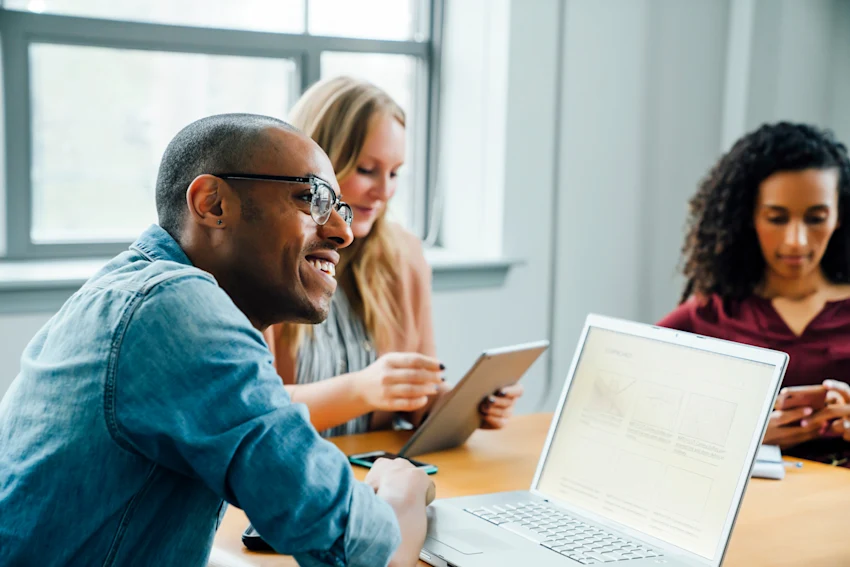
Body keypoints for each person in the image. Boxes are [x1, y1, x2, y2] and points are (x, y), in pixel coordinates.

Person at [0, 113, 433, 566]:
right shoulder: (174, 308)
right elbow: (361, 553)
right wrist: (403, 493)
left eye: (339, 209)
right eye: (311, 199)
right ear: (212, 203)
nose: (343, 233)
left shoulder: (134, 290)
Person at [265, 76, 523, 437]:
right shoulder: (262, 257)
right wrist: (361, 390)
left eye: (395, 173)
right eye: (366, 170)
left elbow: (417, 401)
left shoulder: (403, 255)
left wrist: (469, 405)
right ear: (318, 162)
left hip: (369, 471)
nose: (384, 191)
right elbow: (253, 413)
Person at [658, 121, 850, 465]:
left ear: (839, 216)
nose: (796, 241)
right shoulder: (709, 313)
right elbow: (632, 401)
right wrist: (745, 435)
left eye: (816, 218)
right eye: (777, 218)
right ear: (748, 217)